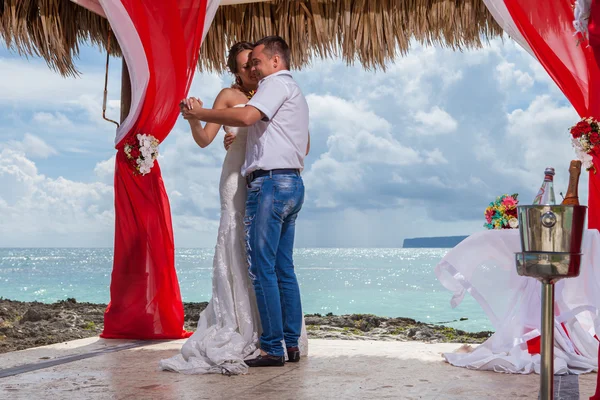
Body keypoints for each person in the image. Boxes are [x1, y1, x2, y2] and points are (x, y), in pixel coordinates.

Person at [159, 41, 307, 375]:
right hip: (270, 180)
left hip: (268, 183)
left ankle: (272, 346)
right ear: (237, 71)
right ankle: (287, 340)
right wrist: (205, 123)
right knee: (278, 265)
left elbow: (247, 117)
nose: (252, 70)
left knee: (263, 266)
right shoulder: (285, 91)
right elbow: (210, 136)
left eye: (255, 63)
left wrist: (206, 115)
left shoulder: (273, 89)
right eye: (246, 66)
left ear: (271, 61)